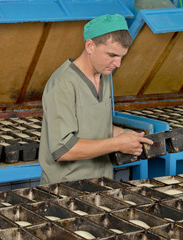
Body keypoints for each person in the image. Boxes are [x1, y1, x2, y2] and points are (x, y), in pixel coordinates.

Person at [38, 14, 153, 184]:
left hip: (101, 181)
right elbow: (62, 149)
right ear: (90, 45)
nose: (118, 64)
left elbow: (92, 124)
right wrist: (117, 144)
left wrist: (123, 134)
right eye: (112, 55)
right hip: (66, 188)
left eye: (121, 56)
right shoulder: (63, 84)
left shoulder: (104, 76)